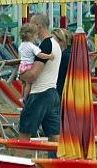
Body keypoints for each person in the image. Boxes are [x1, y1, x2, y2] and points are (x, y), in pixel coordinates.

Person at [18, 13, 63, 143]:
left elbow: (33, 75)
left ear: (38, 26)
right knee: (54, 135)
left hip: (40, 93)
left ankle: (21, 162)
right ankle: (56, 162)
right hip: (52, 93)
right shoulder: (55, 44)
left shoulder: (44, 46)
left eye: (32, 25)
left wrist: (20, 75)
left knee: (25, 132)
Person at [18, 23, 55, 101]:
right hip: (29, 66)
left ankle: (22, 96)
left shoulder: (22, 45)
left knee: (23, 83)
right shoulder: (32, 46)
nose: (37, 37)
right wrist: (49, 56)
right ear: (31, 36)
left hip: (22, 66)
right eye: (36, 35)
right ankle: (25, 98)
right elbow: (40, 55)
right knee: (29, 84)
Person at [51, 28, 73, 97]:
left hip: (61, 93)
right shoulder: (70, 54)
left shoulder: (65, 57)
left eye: (53, 41)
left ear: (62, 42)